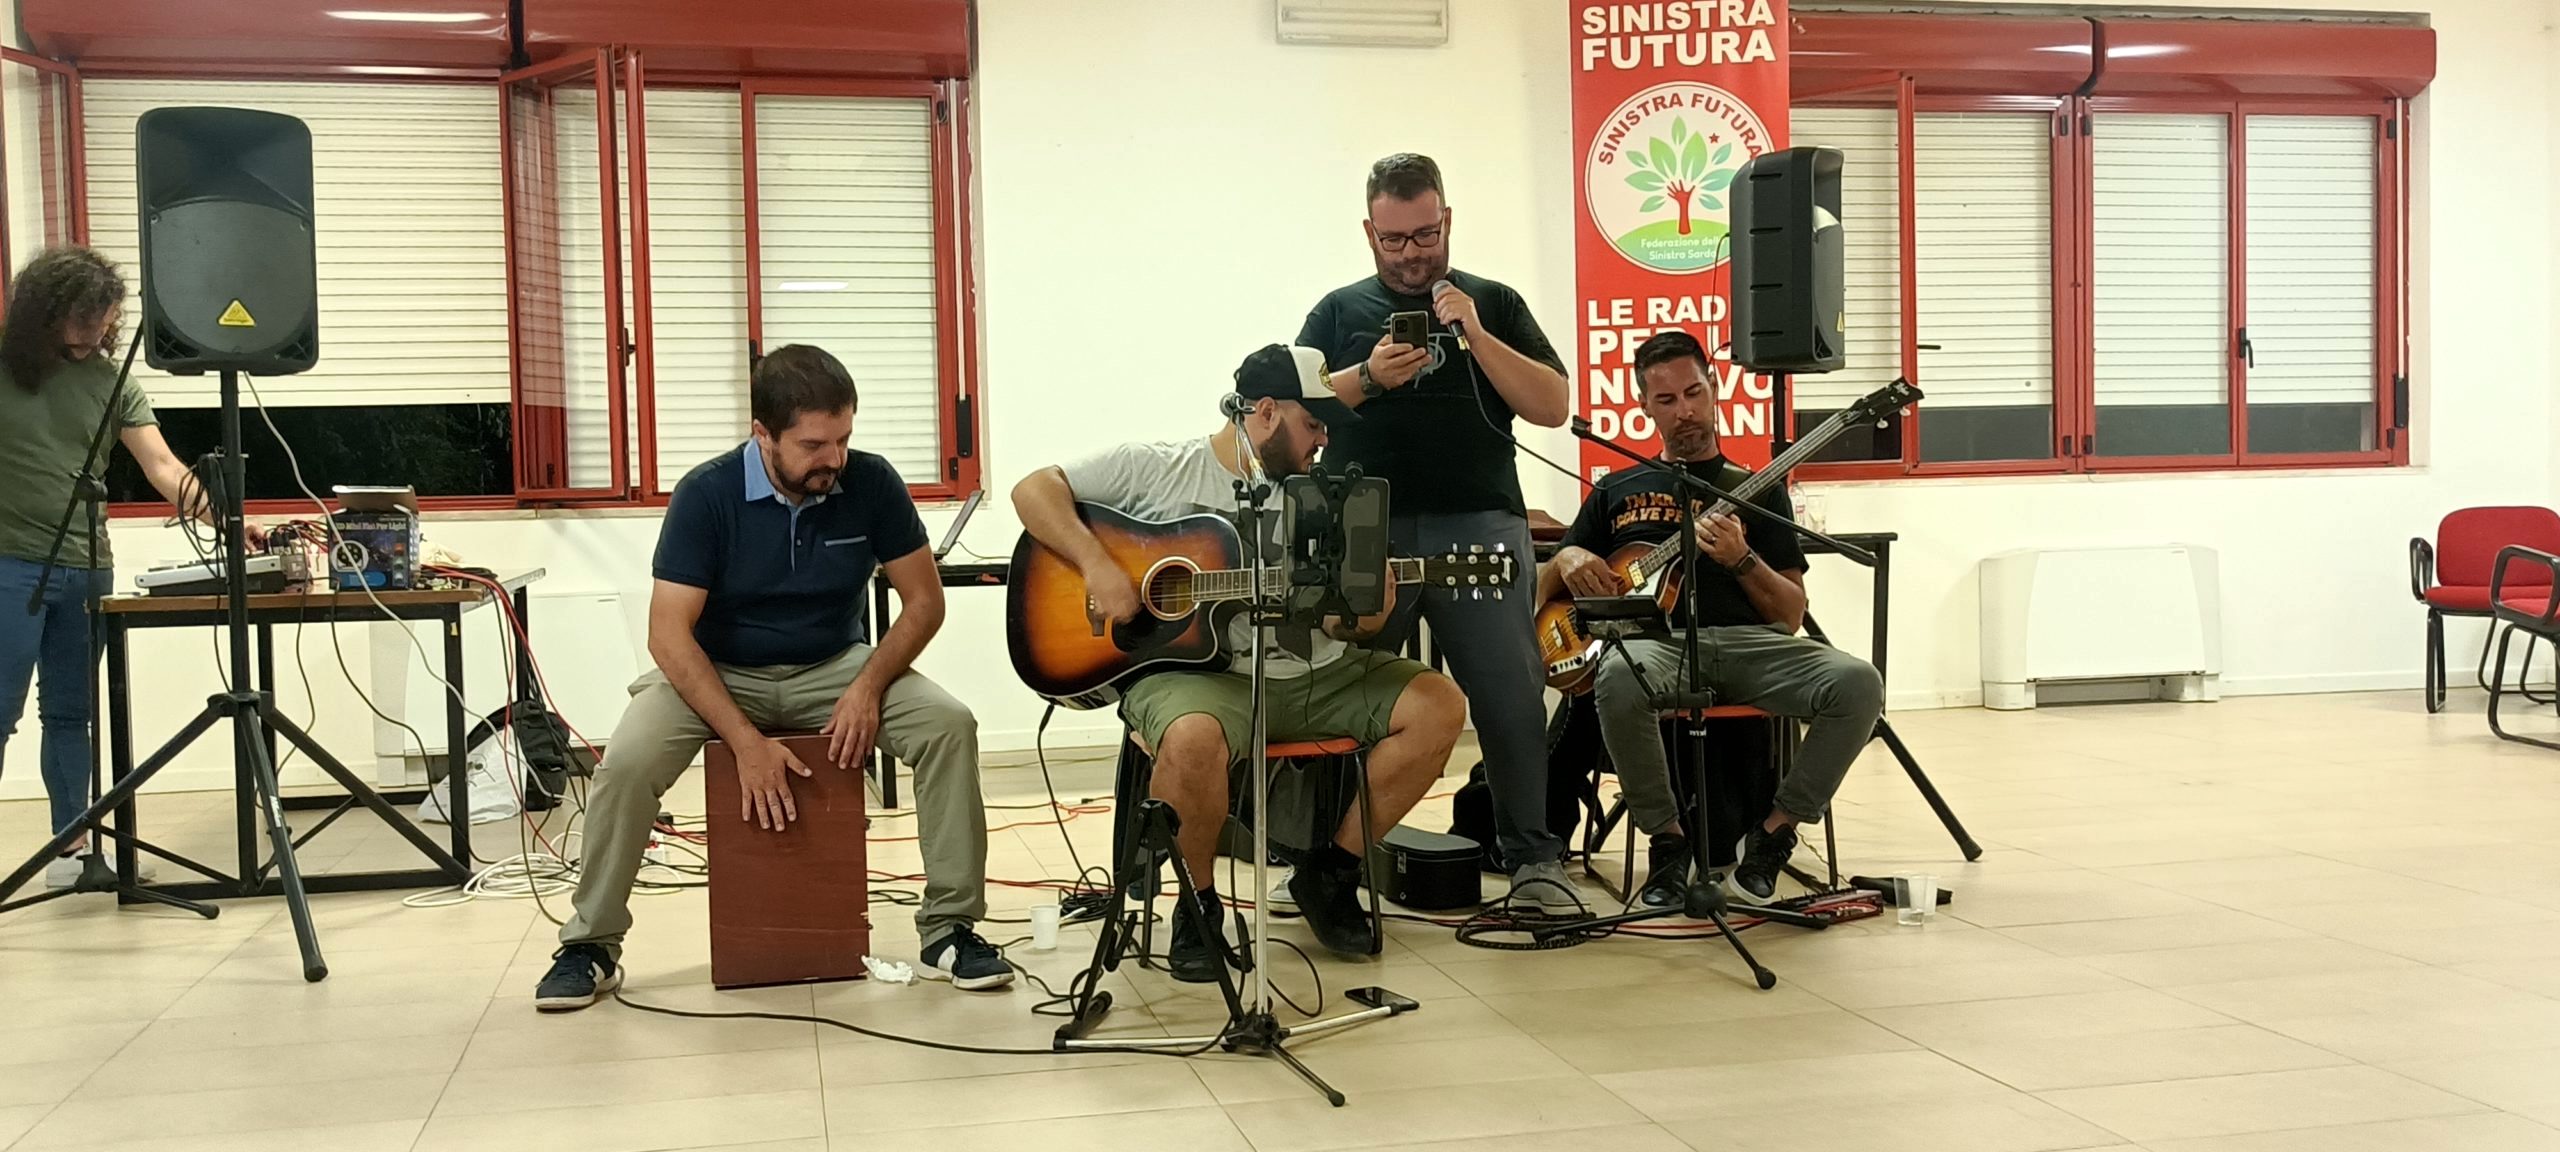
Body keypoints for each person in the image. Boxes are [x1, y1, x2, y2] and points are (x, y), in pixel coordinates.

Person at [536, 344, 1006, 1011]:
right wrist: (746, 743)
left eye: (843, 439)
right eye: (813, 445)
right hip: (718, 671)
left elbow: (925, 602)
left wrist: (867, 687)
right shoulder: (707, 494)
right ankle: (590, 944)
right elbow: (668, 635)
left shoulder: (871, 482)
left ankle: (950, 931)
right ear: (763, 434)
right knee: (627, 762)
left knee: (949, 725)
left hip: (835, 665)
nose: (833, 459)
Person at [1011, 344, 1466, 980]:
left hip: (1314, 675)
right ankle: (1197, 908)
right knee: (1192, 737)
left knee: (1440, 705)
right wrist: (1098, 566)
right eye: (1314, 424)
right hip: (1197, 678)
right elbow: (1033, 489)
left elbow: (1342, 624)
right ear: (1267, 413)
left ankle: (1332, 873)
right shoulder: (1158, 469)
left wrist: (1366, 613)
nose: (1324, 440)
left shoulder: (1331, 497)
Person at [1295, 152, 1578, 912]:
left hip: (1479, 524)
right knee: (1337, 694)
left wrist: (1476, 334)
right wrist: (1368, 378)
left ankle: (1532, 859)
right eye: (1394, 240)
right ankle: (1322, 861)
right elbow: (1289, 415)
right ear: (1369, 232)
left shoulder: (1495, 302)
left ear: (1447, 219)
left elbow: (1552, 406)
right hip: (1364, 529)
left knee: (1510, 693)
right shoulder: (1336, 313)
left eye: (1425, 235)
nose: (1411, 254)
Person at [1543, 330, 1883, 904]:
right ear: (1644, 406)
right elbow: (1547, 586)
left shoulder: (1756, 490)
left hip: (1752, 645)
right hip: (1660, 646)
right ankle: (1668, 842)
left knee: (1858, 683)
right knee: (1618, 676)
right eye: (1667, 400)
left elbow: (1791, 614)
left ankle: (1775, 833)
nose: (1685, 411)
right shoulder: (1617, 489)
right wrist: (1569, 557)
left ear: (1715, 387)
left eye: (1693, 393)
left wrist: (1742, 559)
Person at [0, 246, 254, 889]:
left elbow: (162, 466)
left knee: (70, 714)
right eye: (82, 321)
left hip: (87, 567)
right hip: (9, 566)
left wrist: (226, 520)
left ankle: (72, 851)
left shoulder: (114, 382)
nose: (94, 334)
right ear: (45, 311)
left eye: (104, 322)